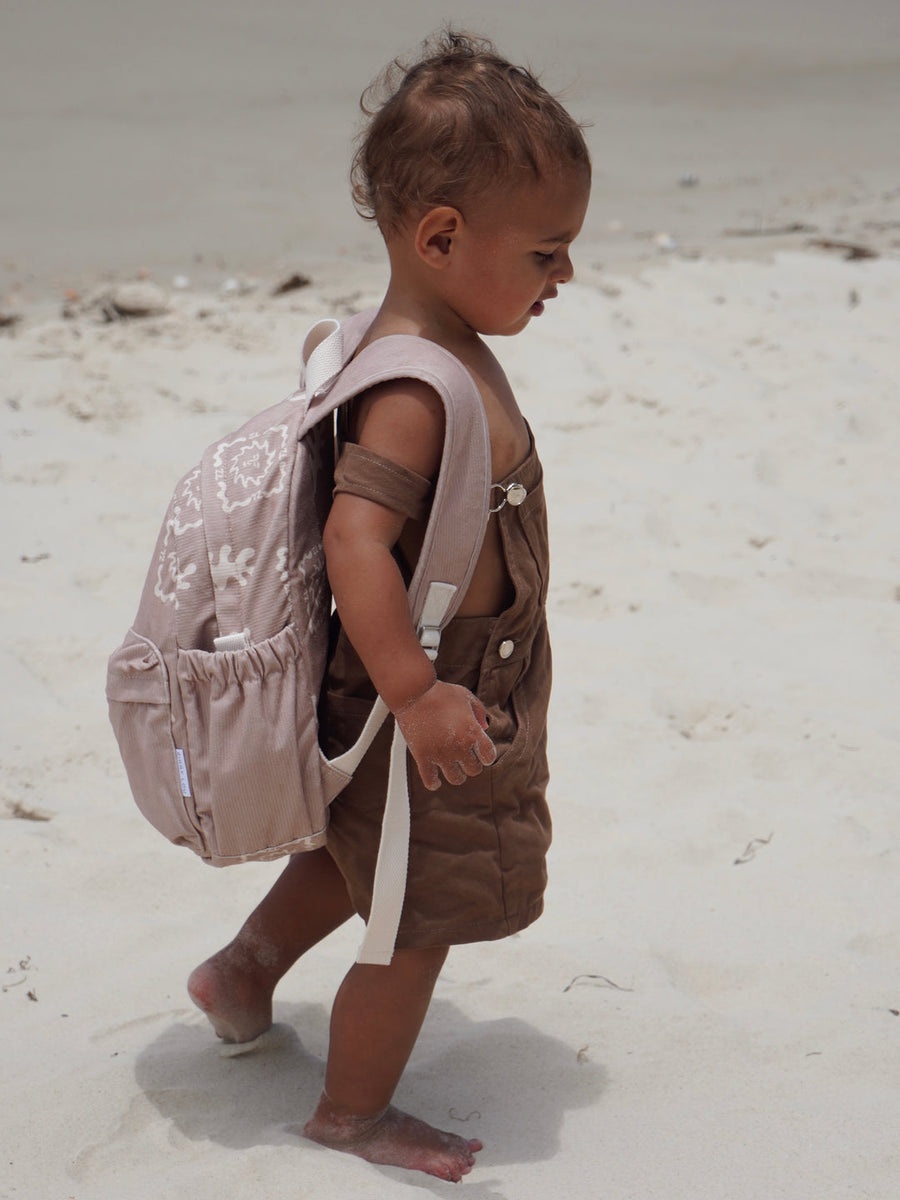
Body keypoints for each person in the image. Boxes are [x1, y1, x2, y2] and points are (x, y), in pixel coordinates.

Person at [187, 30, 591, 1183]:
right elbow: (355, 537)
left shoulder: (430, 338)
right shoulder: (418, 383)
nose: (564, 278)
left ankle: (243, 973)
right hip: (428, 693)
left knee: (363, 855)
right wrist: (416, 695)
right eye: (548, 253)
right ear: (442, 238)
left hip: (443, 681)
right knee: (413, 923)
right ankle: (352, 1116)